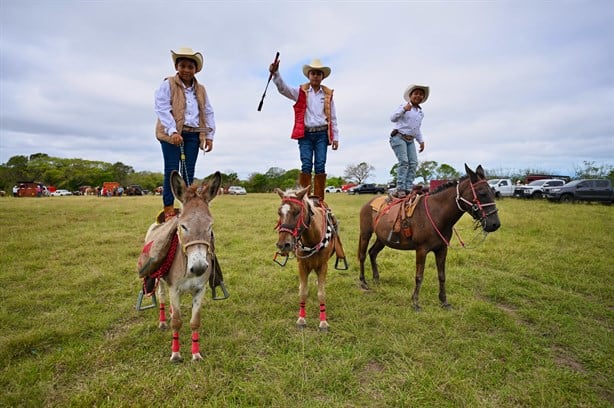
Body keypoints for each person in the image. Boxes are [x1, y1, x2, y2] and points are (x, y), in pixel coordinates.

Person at [155, 47, 216, 221]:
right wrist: (173, 130)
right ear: (176, 66)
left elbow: (208, 111)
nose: (187, 70)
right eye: (183, 65)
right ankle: (168, 208)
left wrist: (209, 135)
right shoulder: (168, 84)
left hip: (193, 134)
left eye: (190, 66)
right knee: (172, 170)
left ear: (195, 69)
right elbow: (162, 107)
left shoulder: (201, 89)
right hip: (170, 134)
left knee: (188, 171)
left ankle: (186, 205)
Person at [269, 58, 339, 204]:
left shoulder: (327, 95)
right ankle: (303, 198)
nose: (315, 76)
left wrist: (336, 137)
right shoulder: (301, 92)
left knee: (320, 165)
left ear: (322, 76)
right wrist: (276, 74)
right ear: (309, 75)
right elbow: (284, 89)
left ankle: (318, 200)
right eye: (313, 73)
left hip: (321, 133)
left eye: (318, 74)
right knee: (306, 164)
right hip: (306, 134)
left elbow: (333, 116)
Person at [390, 84, 429, 198]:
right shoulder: (404, 106)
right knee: (404, 162)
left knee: (413, 163)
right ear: (410, 95)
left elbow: (416, 129)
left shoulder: (420, 113)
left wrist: (421, 141)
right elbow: (392, 118)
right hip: (398, 137)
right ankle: (400, 188)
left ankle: (408, 188)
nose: (418, 96)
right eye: (416, 93)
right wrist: (403, 110)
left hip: (410, 140)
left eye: (421, 94)